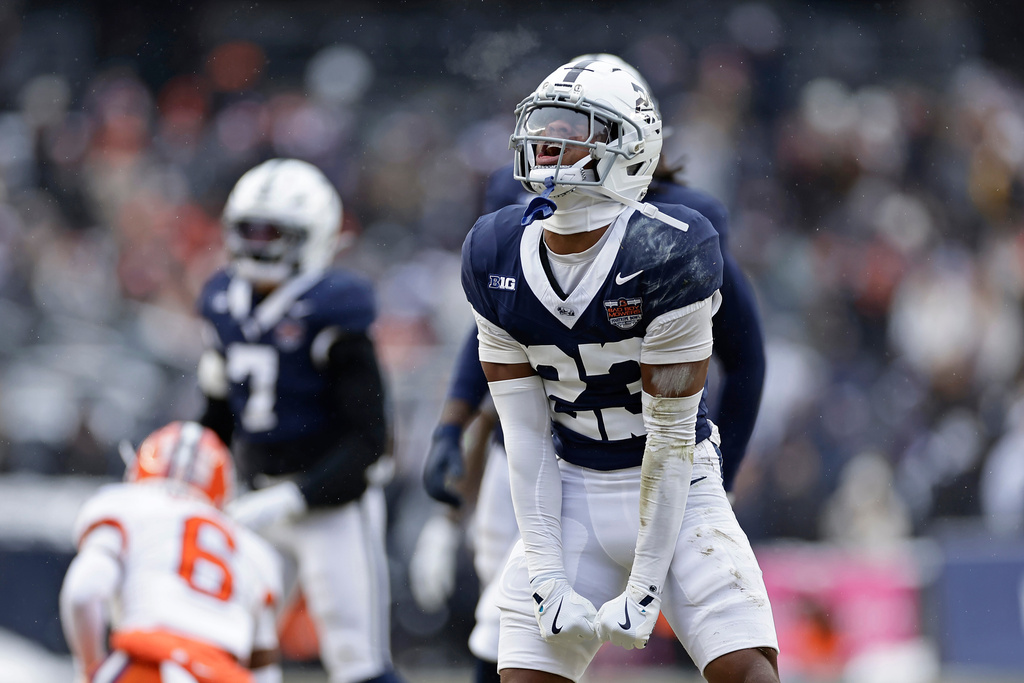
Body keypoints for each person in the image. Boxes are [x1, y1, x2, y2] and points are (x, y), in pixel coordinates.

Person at [412, 53, 767, 682]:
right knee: (518, 671)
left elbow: (673, 434)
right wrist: (547, 577)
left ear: (629, 147)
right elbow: (522, 435)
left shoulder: (670, 247)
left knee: (745, 673)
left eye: (575, 129)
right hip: (569, 485)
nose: (550, 144)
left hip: (678, 489)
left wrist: (648, 585)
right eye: (546, 125)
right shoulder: (494, 248)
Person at [195, 158, 403, 683]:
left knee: (356, 656)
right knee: (233, 646)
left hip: (333, 505)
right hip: (257, 496)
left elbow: (368, 443)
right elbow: (216, 417)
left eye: (275, 234)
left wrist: (293, 498)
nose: (259, 246)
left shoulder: (334, 309)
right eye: (249, 231)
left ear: (313, 237)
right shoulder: (223, 301)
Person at [59, 421, 283, 683]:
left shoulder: (127, 505)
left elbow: (83, 592)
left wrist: (89, 668)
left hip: (152, 662)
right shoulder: (252, 549)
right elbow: (264, 669)